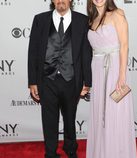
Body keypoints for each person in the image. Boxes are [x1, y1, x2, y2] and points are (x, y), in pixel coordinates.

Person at [28, 0, 92, 158]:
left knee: (70, 118)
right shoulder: (40, 20)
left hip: (71, 79)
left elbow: (85, 53)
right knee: (49, 120)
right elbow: (33, 52)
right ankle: (50, 153)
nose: (60, 1)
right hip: (47, 80)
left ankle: (70, 149)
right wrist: (32, 81)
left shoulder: (82, 21)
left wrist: (87, 82)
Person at [86, 0, 137, 158]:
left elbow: (124, 45)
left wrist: (121, 75)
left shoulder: (117, 14)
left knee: (115, 113)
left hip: (115, 69)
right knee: (100, 114)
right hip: (97, 70)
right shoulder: (91, 20)